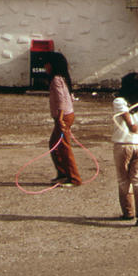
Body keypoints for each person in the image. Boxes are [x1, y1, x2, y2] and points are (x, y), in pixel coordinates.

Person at [111, 72, 138, 226]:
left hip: (123, 145)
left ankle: (128, 212)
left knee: (123, 180)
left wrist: (130, 125)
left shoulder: (119, 101)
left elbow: (123, 112)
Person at [45, 52, 81, 187]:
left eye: (47, 63)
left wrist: (60, 118)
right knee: (54, 144)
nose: (45, 66)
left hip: (63, 117)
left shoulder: (56, 80)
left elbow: (61, 101)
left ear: (52, 65)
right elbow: (69, 98)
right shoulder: (62, 78)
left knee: (64, 147)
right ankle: (63, 173)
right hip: (65, 116)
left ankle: (74, 178)